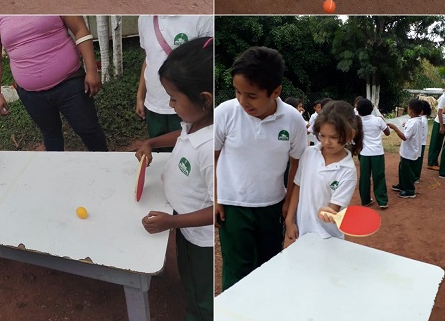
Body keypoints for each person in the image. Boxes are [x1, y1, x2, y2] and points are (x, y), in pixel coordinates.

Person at [214, 46, 307, 289]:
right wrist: (215, 197)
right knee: (237, 270)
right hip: (233, 206)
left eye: (252, 95)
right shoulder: (225, 113)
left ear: (275, 91)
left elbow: (297, 162)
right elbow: (210, 157)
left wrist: (288, 201)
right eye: (237, 92)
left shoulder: (293, 120)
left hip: (272, 206)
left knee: (269, 267)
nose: (243, 101)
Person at [136, 37, 214, 321]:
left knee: (203, 295)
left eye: (173, 98)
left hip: (202, 240)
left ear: (205, 99)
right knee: (188, 275)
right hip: (184, 223)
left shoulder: (211, 149)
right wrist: (152, 142)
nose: (169, 105)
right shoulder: (197, 122)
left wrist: (172, 223)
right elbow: (181, 134)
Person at [0, 16, 108, 151]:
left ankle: (105, 163)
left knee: (89, 130)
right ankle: (55, 165)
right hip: (32, 96)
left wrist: (92, 70)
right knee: (51, 136)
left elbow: (80, 29)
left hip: (70, 84)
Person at [285, 100, 359, 243]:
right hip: (303, 232)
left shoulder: (348, 171)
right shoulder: (309, 153)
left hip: (329, 238)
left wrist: (327, 212)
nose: (326, 142)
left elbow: (334, 208)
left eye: (334, 137)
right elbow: (298, 186)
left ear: (350, 135)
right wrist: (289, 219)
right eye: (322, 135)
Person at [136, 16, 214, 145]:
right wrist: (140, 96)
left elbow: (208, 62)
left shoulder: (202, 18)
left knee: (189, 145)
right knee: (158, 148)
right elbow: (148, 59)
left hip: (188, 104)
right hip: (154, 105)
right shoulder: (144, 19)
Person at [356, 97, 390, 209]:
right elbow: (387, 132)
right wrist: (383, 121)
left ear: (358, 111)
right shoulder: (378, 120)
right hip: (377, 153)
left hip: (364, 153)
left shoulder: (358, 122)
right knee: (379, 176)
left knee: (364, 177)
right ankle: (382, 201)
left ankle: (365, 200)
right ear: (372, 108)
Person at [388, 98, 423, 198]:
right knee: (402, 169)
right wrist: (406, 124)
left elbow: (404, 137)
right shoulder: (417, 121)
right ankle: (402, 185)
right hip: (409, 150)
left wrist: (395, 128)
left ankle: (409, 190)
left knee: (407, 171)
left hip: (409, 151)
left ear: (410, 110)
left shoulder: (413, 123)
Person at [427, 90, 445, 170]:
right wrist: (441, 126)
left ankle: (435, 162)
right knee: (436, 143)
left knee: (439, 144)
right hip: (440, 122)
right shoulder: (444, 97)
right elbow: (440, 112)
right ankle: (431, 163)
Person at [415, 99, 430, 182]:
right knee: (418, 160)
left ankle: (416, 177)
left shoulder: (421, 120)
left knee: (417, 160)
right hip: (421, 142)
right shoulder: (422, 119)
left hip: (420, 143)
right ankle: (416, 176)